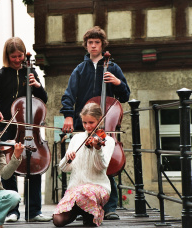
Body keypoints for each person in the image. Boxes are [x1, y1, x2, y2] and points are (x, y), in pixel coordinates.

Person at [60, 26, 130, 220]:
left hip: (105, 124)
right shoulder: (80, 69)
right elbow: (69, 95)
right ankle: (84, 204)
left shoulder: (113, 67)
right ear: (86, 45)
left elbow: (125, 96)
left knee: (106, 164)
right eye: (90, 43)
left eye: (96, 42)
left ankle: (110, 207)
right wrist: (67, 115)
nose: (93, 46)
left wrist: (117, 83)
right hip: (85, 123)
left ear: (102, 44)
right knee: (83, 163)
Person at [0, 37, 52, 222]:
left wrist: (37, 85)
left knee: (34, 166)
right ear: (7, 56)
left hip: (30, 128)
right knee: (8, 169)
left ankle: (34, 211)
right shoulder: (2, 75)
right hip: (6, 126)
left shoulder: (31, 71)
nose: (18, 60)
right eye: (13, 57)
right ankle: (12, 210)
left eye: (20, 56)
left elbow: (43, 99)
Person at [53, 102, 115, 227]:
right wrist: (67, 158)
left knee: (84, 192)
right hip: (76, 189)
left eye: (91, 123)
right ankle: (82, 210)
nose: (87, 126)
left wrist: (97, 150)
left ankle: (93, 211)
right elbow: (64, 168)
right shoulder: (76, 139)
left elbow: (101, 166)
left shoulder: (107, 141)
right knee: (58, 220)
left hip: (98, 187)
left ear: (99, 121)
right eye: (84, 122)